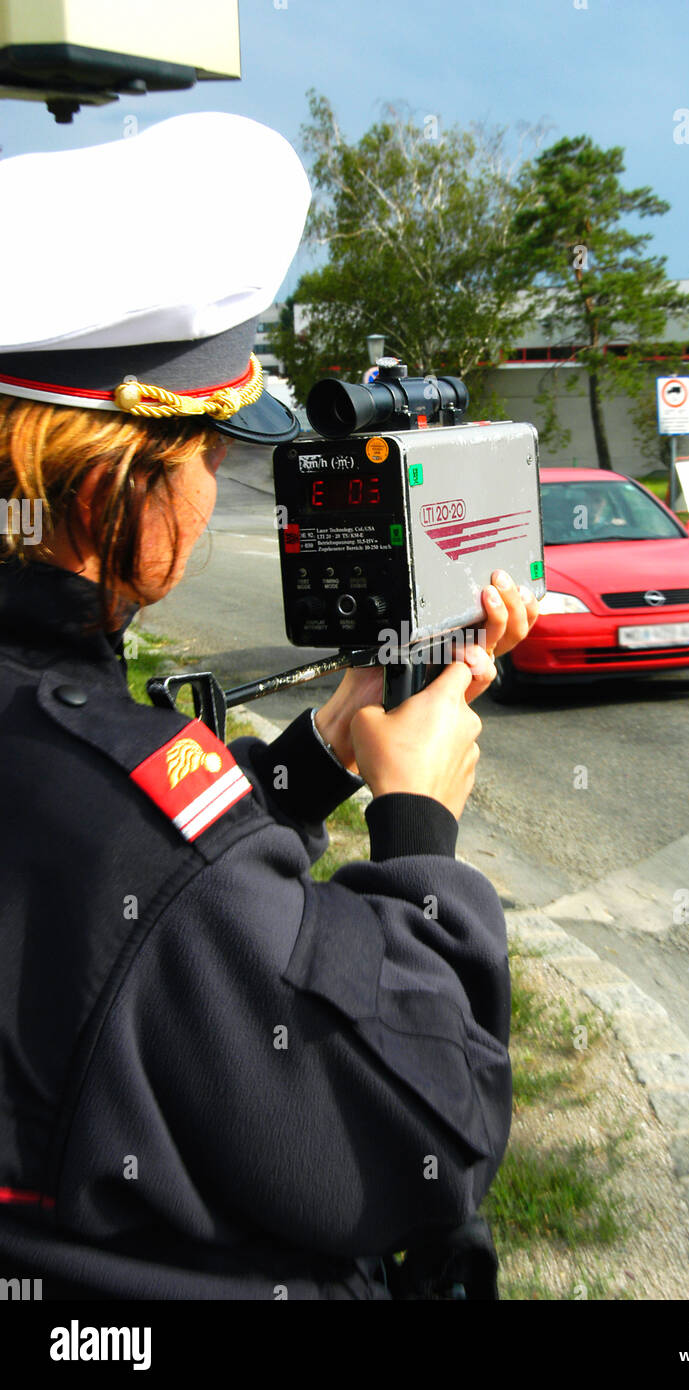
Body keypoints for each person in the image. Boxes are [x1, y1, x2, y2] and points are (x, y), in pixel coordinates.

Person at [0, 113, 538, 1300]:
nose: (206, 496)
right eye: (201, 455)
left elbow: (128, 926)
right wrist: (419, 830)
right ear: (112, 490)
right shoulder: (124, 828)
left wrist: (319, 758)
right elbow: (417, 1138)